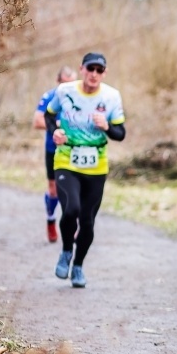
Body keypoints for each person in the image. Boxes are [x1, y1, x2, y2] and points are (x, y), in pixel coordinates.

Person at [45, 52, 125, 288]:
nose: (94, 74)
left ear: (104, 73)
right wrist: (54, 132)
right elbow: (49, 116)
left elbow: (121, 134)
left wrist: (107, 126)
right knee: (71, 210)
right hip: (67, 159)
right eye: (90, 69)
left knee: (88, 222)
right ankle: (67, 251)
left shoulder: (111, 96)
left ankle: (78, 266)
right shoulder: (65, 91)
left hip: (96, 166)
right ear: (82, 69)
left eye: (99, 70)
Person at [33, 66, 77, 243]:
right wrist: (58, 124)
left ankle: (72, 226)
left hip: (73, 149)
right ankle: (51, 219)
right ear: (58, 82)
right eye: (65, 84)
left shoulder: (79, 99)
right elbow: (37, 121)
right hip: (53, 148)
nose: (68, 88)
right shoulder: (50, 96)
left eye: (72, 84)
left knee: (74, 189)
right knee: (54, 189)